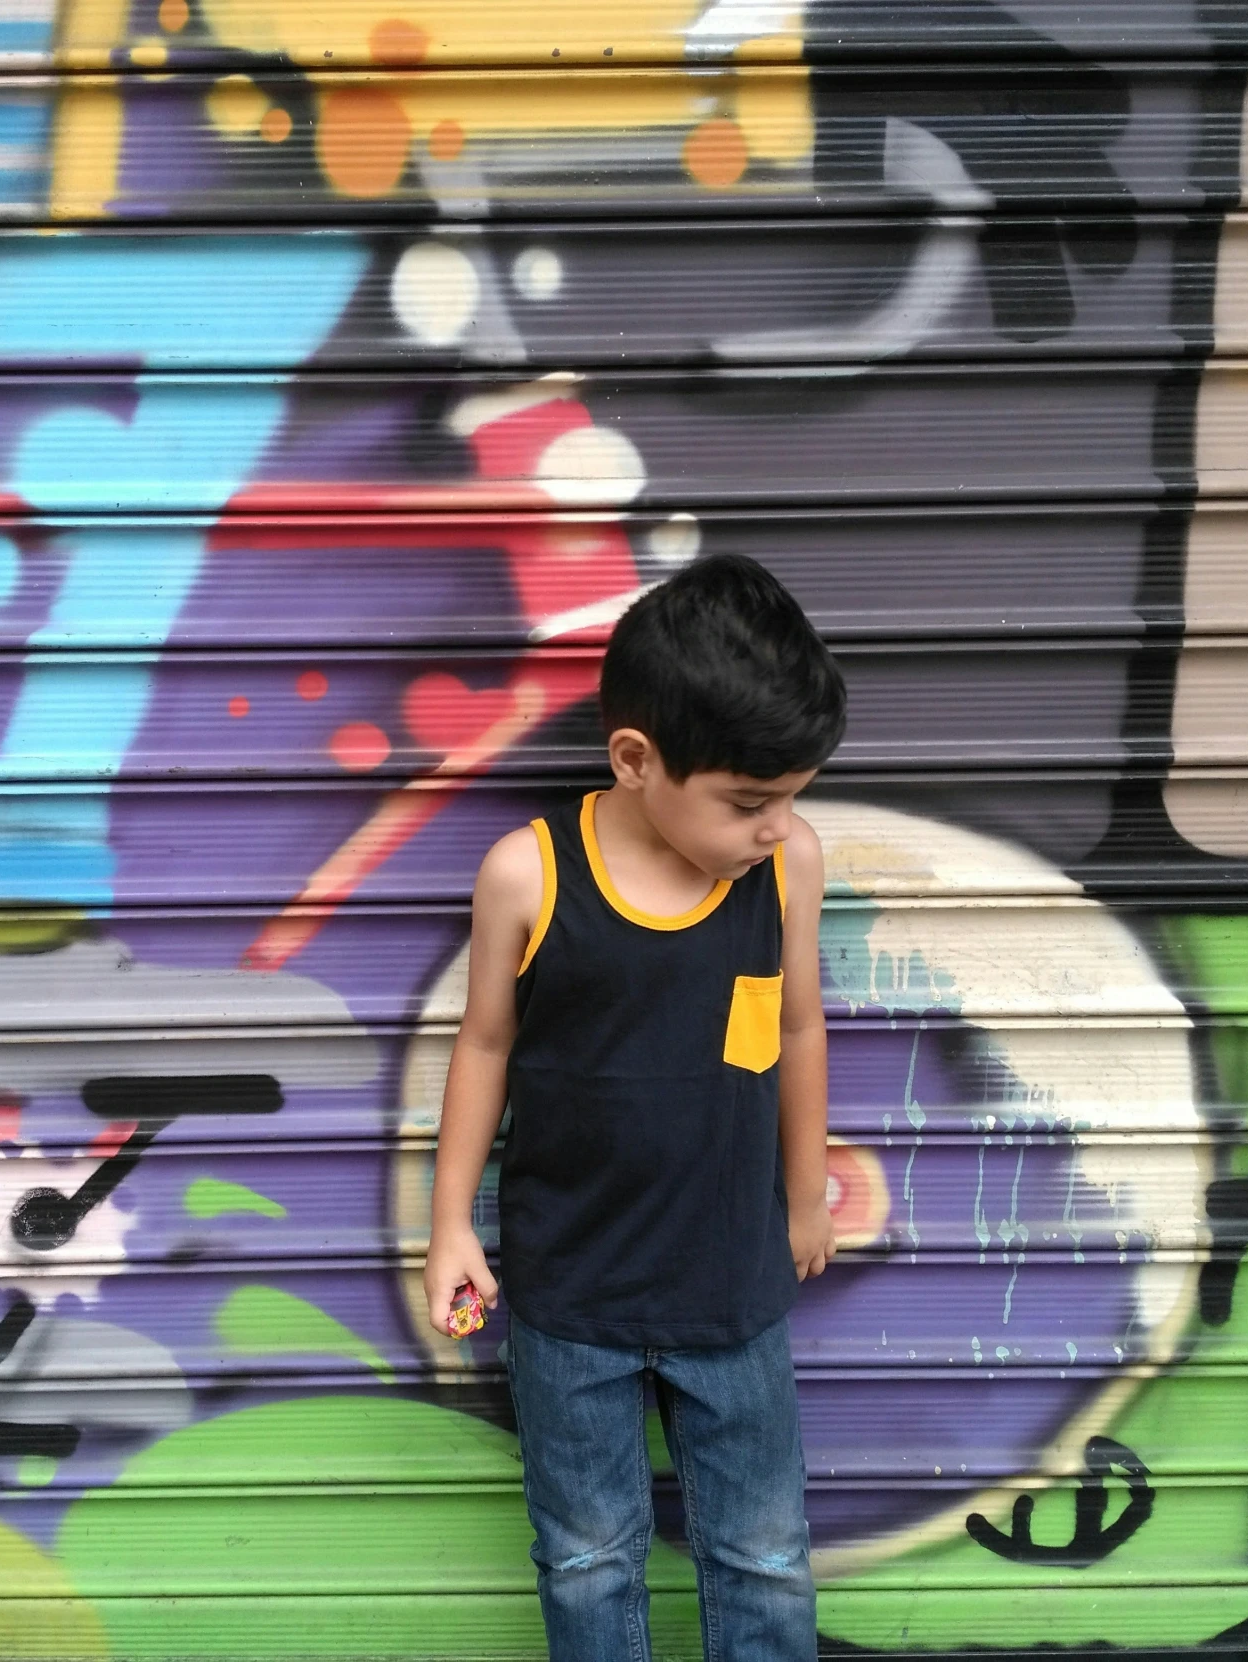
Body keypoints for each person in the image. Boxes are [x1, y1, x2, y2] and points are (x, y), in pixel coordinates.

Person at [422, 552, 848, 1661]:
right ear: (635, 760)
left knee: (761, 1554)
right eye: (749, 802)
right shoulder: (530, 875)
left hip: (731, 1283)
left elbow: (797, 1027)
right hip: (572, 1298)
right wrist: (449, 1225)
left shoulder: (787, 864)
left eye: (790, 799)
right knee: (585, 1556)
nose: (773, 826)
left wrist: (804, 1195)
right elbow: (483, 1044)